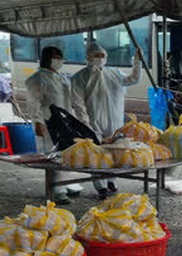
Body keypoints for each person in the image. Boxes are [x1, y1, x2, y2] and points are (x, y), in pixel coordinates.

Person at [71, 42, 141, 199]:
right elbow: (78, 103)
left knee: (114, 152)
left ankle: (111, 181)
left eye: (103, 56)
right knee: (96, 155)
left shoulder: (114, 73)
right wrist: (85, 125)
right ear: (88, 57)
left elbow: (133, 79)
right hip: (93, 122)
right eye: (97, 55)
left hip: (114, 122)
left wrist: (137, 62)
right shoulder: (80, 77)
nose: (101, 58)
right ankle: (100, 187)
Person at [25, 46, 88, 205]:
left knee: (64, 154)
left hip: (64, 122)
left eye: (61, 57)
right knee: (52, 156)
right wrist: (37, 122)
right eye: (56, 57)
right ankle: (57, 191)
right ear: (47, 58)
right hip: (48, 123)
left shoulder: (59, 77)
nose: (60, 61)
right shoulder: (37, 79)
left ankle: (64, 184)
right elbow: (33, 103)